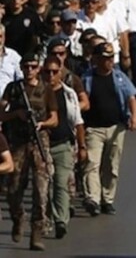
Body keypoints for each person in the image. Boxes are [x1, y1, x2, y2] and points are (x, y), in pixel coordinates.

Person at [0, 53, 59, 251]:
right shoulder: (14, 89)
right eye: (26, 67)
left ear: (38, 68)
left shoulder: (46, 89)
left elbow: (54, 118)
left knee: (41, 191)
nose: (29, 70)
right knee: (14, 189)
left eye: (33, 66)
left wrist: (42, 124)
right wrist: (15, 114)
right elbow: (1, 113)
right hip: (18, 144)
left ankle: (36, 232)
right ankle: (18, 217)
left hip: (39, 142)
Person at [81, 42, 136, 217]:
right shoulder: (87, 78)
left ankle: (108, 199)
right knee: (92, 164)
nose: (109, 62)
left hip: (116, 128)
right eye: (106, 58)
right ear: (96, 59)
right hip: (93, 129)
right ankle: (93, 199)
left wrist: (134, 117)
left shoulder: (119, 77)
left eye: (111, 58)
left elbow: (131, 97)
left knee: (111, 166)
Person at [41, 54, 86, 239]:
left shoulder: (68, 94)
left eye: (54, 72)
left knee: (60, 183)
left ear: (61, 72)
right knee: (47, 187)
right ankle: (49, 218)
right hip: (43, 147)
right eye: (47, 72)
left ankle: (61, 221)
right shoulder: (37, 94)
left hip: (63, 145)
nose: (50, 75)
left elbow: (77, 121)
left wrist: (82, 146)